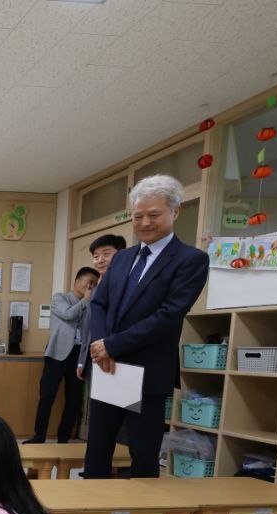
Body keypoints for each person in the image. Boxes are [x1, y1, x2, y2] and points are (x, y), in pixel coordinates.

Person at [84, 175, 209, 479]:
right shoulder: (123, 258)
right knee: (98, 443)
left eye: (153, 215)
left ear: (175, 212)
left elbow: (169, 315)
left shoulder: (190, 260)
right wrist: (102, 346)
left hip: (147, 369)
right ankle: (89, 508)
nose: (144, 223)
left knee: (142, 449)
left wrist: (114, 344)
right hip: (108, 366)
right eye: (138, 216)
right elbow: (99, 304)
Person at [29, 266, 98, 444]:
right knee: (47, 396)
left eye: (95, 284)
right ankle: (39, 436)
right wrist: (85, 301)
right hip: (57, 353)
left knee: (74, 400)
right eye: (89, 282)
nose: (91, 287)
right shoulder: (60, 298)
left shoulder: (91, 303)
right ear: (77, 282)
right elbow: (68, 315)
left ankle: (63, 438)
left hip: (80, 355)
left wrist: (89, 302)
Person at [76, 234, 127, 381]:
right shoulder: (96, 288)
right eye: (96, 256)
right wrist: (81, 360)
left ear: (122, 255)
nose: (100, 260)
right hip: (94, 356)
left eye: (106, 254)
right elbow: (87, 328)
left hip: (115, 357)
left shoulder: (126, 285)